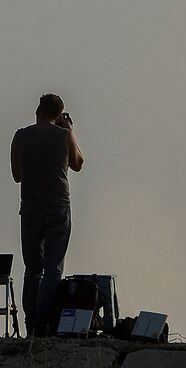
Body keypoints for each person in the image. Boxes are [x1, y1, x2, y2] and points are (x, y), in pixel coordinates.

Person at [10, 94, 84, 336]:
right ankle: (44, 323)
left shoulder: (20, 136)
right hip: (58, 206)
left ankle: (31, 322)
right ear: (59, 116)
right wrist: (71, 130)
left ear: (38, 110)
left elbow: (17, 175)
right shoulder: (64, 135)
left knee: (32, 269)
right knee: (53, 268)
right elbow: (78, 163)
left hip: (30, 208)